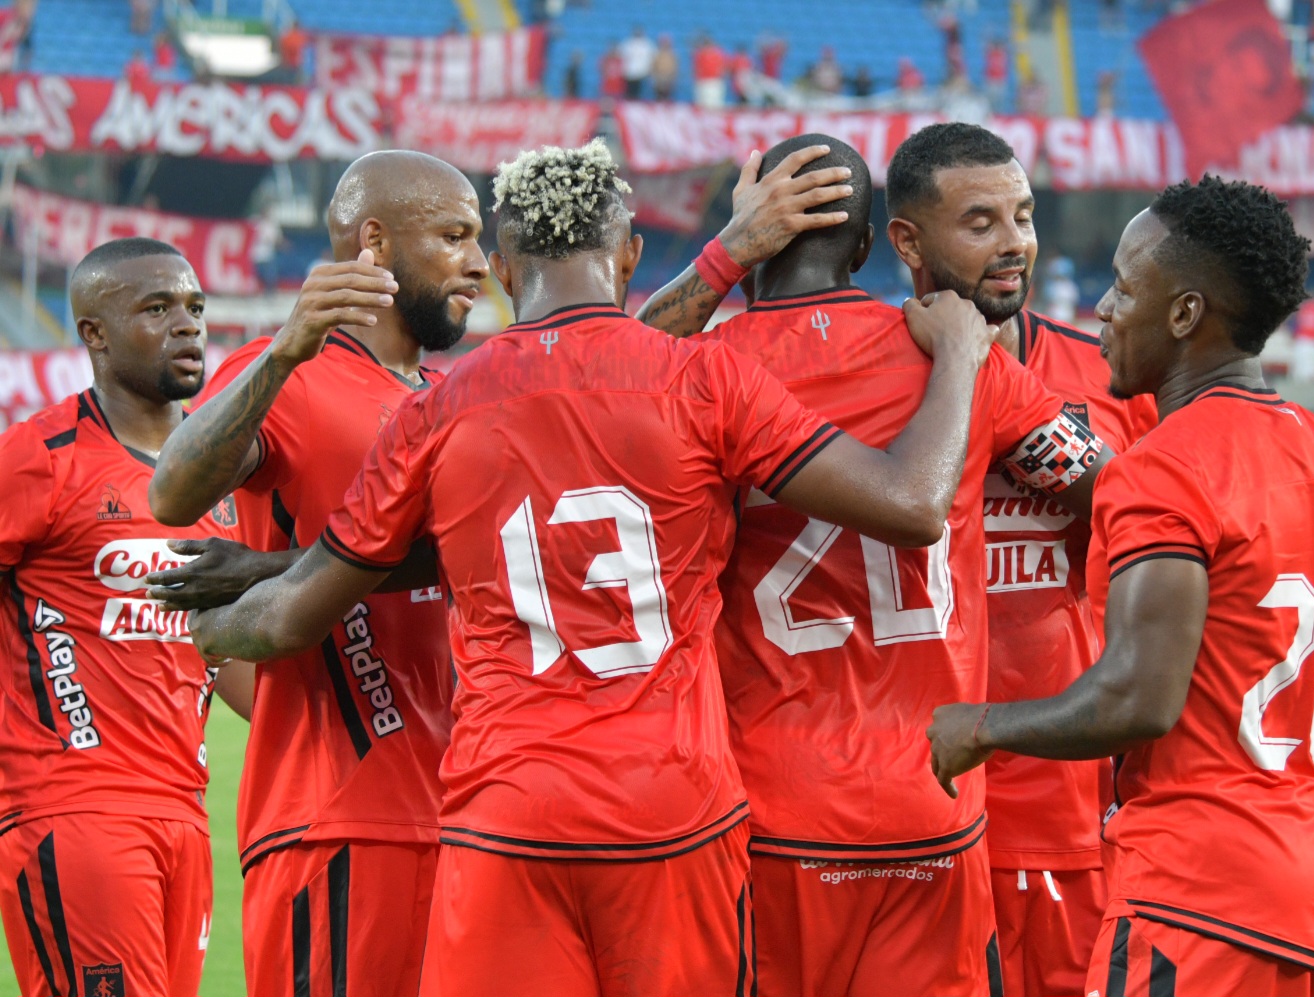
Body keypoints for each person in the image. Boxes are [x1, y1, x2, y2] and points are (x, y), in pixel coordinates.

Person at [188, 137, 996, 997]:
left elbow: (289, 616)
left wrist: (210, 622)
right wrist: (958, 355)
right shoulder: (702, 379)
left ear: (501, 264)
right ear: (630, 254)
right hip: (674, 808)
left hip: (509, 811)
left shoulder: (440, 408)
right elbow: (912, 504)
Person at [929, 176, 1314, 997]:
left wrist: (979, 726)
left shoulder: (1161, 471)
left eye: (1125, 286)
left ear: (1183, 314)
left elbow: (1137, 698)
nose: (1101, 306)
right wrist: (1267, 762)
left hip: (1196, 895)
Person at [641, 133, 1113, 997]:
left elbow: (605, 378)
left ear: (752, 235)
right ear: (870, 246)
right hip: (930, 800)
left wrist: (721, 256)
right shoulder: (965, 363)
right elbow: (1122, 495)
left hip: (770, 801)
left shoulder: (699, 372)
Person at [147, 151, 480, 997]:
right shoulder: (292, 373)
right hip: (340, 817)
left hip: (476, 818)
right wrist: (284, 350)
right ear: (374, 241)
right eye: (453, 236)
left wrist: (266, 567)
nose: (478, 263)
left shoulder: (454, 395)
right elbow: (174, 491)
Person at [885, 121, 1158, 997]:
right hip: (899, 804)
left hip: (1065, 812)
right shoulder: (859, 380)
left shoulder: (1113, 381)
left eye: (1024, 216)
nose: (1014, 243)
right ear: (907, 240)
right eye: (979, 222)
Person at [0, 238, 251, 997]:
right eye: (157, 307)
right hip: (74, 807)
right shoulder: (39, 458)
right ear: (95, 334)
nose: (187, 324)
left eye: (196, 307)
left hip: (183, 813)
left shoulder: (221, 478)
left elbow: (237, 662)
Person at [619, 25, 655, 100]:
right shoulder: (628, 43)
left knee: (640, 95)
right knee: (630, 94)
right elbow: (621, 57)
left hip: (643, 74)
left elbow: (653, 59)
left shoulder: (648, 44)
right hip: (630, 74)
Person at [651, 34, 678, 100]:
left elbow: (675, 66)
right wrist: (654, 76)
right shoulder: (657, 54)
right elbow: (653, 65)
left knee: (667, 95)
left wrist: (673, 77)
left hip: (669, 77)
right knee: (659, 95)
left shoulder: (672, 54)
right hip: (659, 77)